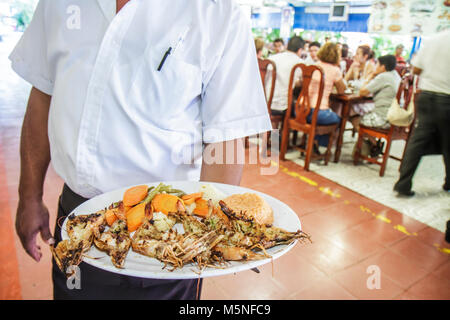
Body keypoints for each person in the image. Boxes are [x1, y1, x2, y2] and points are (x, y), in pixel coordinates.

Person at [10, 0, 272, 299]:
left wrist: (208, 234)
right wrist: (28, 197)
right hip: (77, 217)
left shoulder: (218, 11)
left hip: (168, 232)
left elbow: (225, 137)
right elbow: (43, 91)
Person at [394, 30, 450, 197]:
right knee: (449, 143)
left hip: (425, 95)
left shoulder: (433, 39)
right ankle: (449, 182)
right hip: (447, 98)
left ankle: (403, 183)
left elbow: (416, 69)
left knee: (416, 142)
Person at [354, 55, 401, 157]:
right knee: (361, 111)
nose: (375, 66)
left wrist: (370, 77)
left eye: (377, 64)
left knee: (354, 117)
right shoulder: (396, 75)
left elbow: (362, 92)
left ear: (383, 67)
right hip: (394, 117)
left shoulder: (383, 76)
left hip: (382, 118)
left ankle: (374, 144)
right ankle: (374, 144)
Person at [307, 42, 347, 151]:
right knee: (338, 119)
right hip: (318, 113)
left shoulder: (313, 66)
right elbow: (341, 90)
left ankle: (314, 141)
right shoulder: (335, 70)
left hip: (301, 110)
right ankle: (320, 145)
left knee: (325, 114)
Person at [265, 36, 306, 123]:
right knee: (300, 109)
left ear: (287, 46)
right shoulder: (300, 63)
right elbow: (303, 83)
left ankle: (274, 135)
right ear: (300, 50)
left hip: (264, 101)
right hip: (282, 107)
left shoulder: (272, 58)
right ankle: (283, 134)